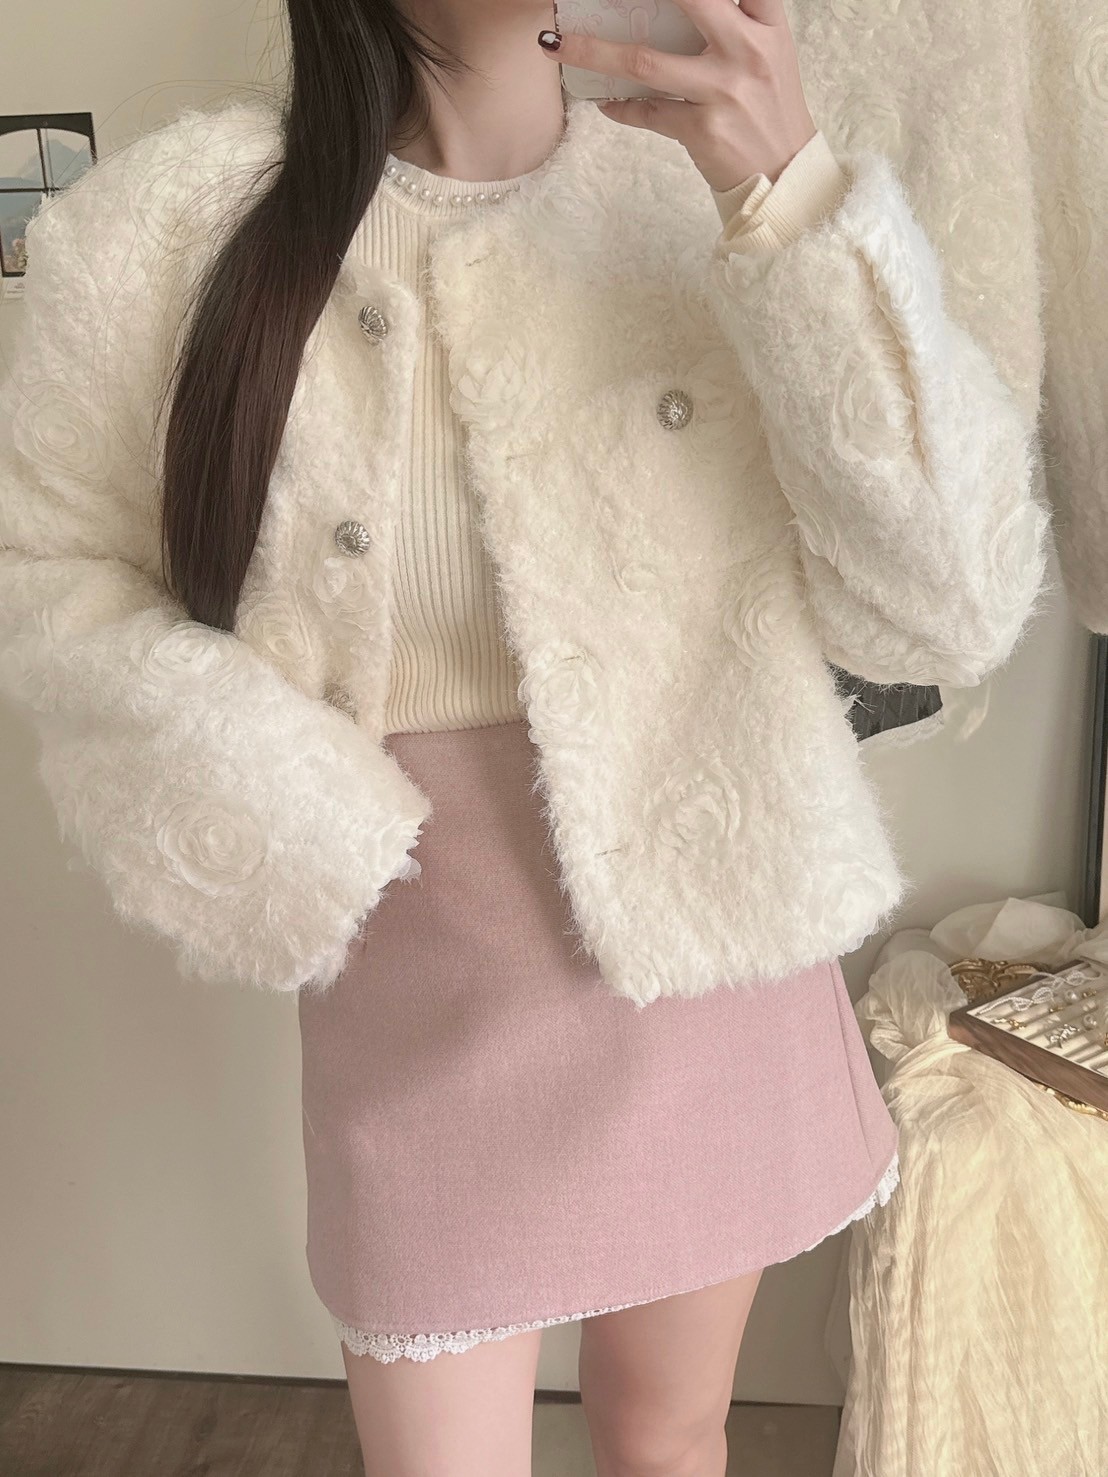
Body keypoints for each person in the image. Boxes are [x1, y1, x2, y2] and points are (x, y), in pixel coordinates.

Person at [0, 1, 1048, 1473]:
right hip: (418, 955)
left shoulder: (709, 194)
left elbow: (953, 602)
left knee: (669, 1436)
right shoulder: (169, 232)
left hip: (708, 917)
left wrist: (790, 196)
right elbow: (50, 572)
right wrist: (291, 806)